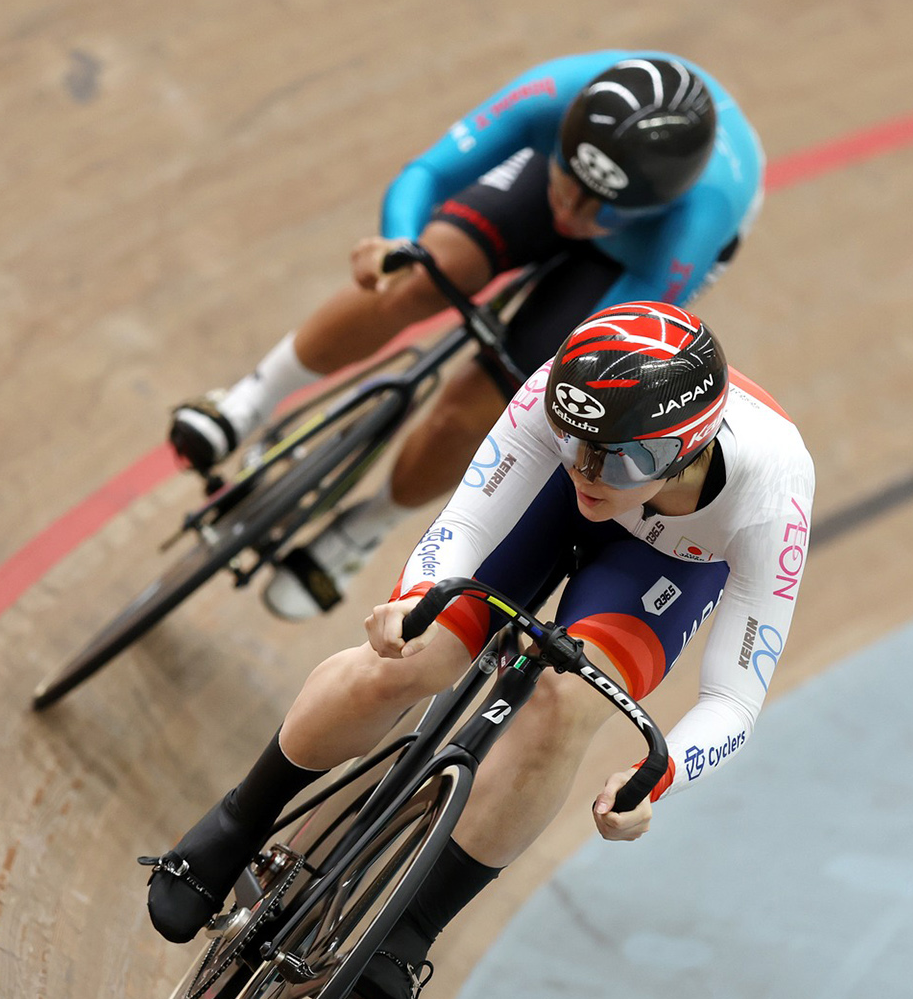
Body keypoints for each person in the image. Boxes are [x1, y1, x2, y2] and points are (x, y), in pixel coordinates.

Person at [145, 302, 813, 999]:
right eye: (575, 440)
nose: (591, 470)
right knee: (415, 656)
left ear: (687, 450)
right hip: (540, 503)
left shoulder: (772, 496)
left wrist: (663, 773)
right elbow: (464, 526)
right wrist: (413, 604)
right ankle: (241, 819)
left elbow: (735, 699)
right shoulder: (566, 404)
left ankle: (411, 928)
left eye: (620, 459)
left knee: (567, 706)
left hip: (668, 567)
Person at [168, 52, 766, 619]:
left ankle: (364, 526)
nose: (573, 214)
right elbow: (429, 171)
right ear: (562, 142)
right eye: (568, 182)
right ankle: (246, 403)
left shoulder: (700, 216)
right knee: (415, 276)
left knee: (492, 401)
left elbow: (607, 349)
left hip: (634, 263)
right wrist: (395, 243)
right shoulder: (553, 95)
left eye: (598, 210)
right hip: (593, 185)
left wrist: (538, 382)